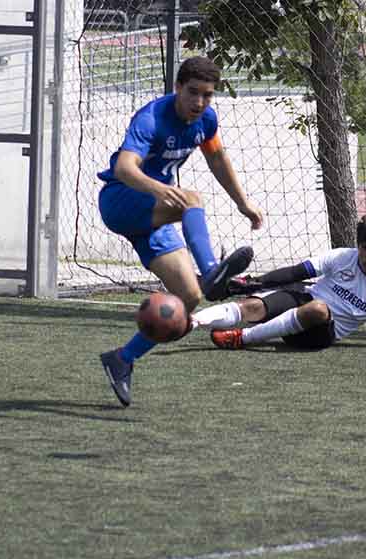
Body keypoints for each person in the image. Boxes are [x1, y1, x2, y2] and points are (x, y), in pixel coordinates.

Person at [97, 56, 264, 407]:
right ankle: (211, 270)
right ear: (177, 88)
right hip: (122, 201)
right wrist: (158, 189)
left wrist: (242, 203)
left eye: (207, 95)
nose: (199, 102)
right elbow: (126, 169)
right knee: (190, 198)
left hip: (153, 216)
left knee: (188, 298)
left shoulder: (206, 121)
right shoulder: (151, 118)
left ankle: (122, 359)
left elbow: (217, 159)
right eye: (192, 93)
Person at [191, 215, 366, 352]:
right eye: (363, 247)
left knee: (318, 309)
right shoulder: (343, 257)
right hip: (304, 300)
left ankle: (244, 338)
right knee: (254, 305)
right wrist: (254, 282)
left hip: (320, 334)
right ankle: (192, 321)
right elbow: (297, 272)